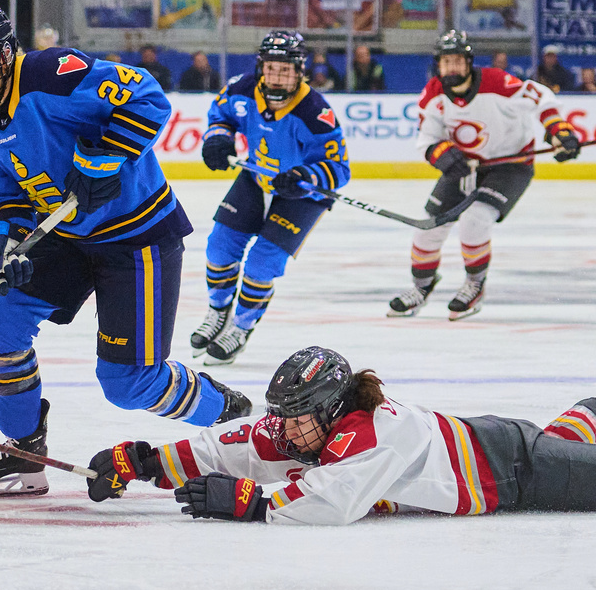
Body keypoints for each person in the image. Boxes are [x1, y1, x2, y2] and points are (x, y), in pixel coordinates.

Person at [0, 1, 252, 497]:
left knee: (128, 385)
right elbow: (2, 200)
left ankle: (236, 420)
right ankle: (24, 449)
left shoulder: (53, 75)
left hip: (136, 235)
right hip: (65, 236)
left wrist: (100, 160)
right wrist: (1, 246)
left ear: (3, 53)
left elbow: (147, 97)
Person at [85, 345, 596, 525]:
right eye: (282, 413)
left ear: (330, 409)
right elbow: (229, 444)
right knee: (571, 440)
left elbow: (333, 502)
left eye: (297, 415)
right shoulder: (305, 423)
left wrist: (253, 504)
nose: (284, 427)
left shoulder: (379, 431)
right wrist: (147, 461)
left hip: (516, 470)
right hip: (498, 445)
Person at [387, 30, 581, 321]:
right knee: (428, 229)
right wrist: (443, 155)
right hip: (467, 167)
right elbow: (427, 140)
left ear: (469, 63)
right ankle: (421, 288)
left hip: (510, 165)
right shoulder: (433, 94)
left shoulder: (498, 83)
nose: (451, 67)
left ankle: (474, 285)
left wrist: (559, 130)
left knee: (475, 220)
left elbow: (540, 97)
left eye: (457, 61)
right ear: (438, 65)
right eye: (445, 61)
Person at [189, 31, 349, 365]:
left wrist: (307, 176)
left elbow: (339, 168)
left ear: (299, 71)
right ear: (262, 67)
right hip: (257, 175)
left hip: (302, 193)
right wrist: (218, 139)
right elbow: (221, 115)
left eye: (286, 70)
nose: (278, 77)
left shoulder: (315, 112)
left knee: (262, 264)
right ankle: (219, 312)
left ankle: (241, 327)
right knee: (219, 247)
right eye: (272, 68)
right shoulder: (241, 88)